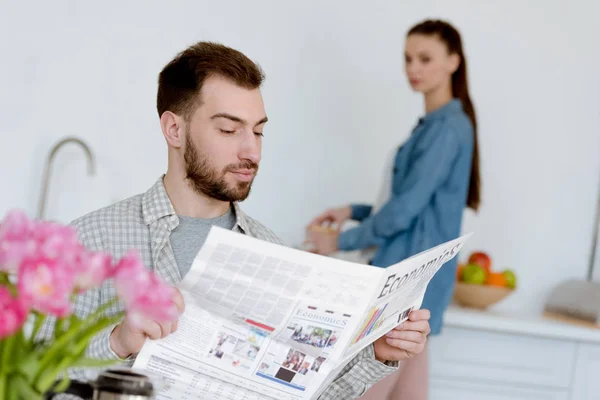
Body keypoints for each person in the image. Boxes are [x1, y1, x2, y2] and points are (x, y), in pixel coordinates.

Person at [39, 41, 432, 400]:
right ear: (174, 129)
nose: (251, 151)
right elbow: (31, 380)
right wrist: (116, 342)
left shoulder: (276, 253)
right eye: (229, 129)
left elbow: (307, 392)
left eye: (258, 132)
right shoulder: (87, 241)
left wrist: (377, 354)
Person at [307, 19, 481, 400]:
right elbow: (408, 205)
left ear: (453, 61)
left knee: (363, 391)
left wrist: (339, 240)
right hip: (418, 281)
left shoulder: (447, 129)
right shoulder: (437, 127)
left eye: (425, 58)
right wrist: (351, 209)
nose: (413, 69)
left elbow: (403, 213)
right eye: (407, 59)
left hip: (408, 282)